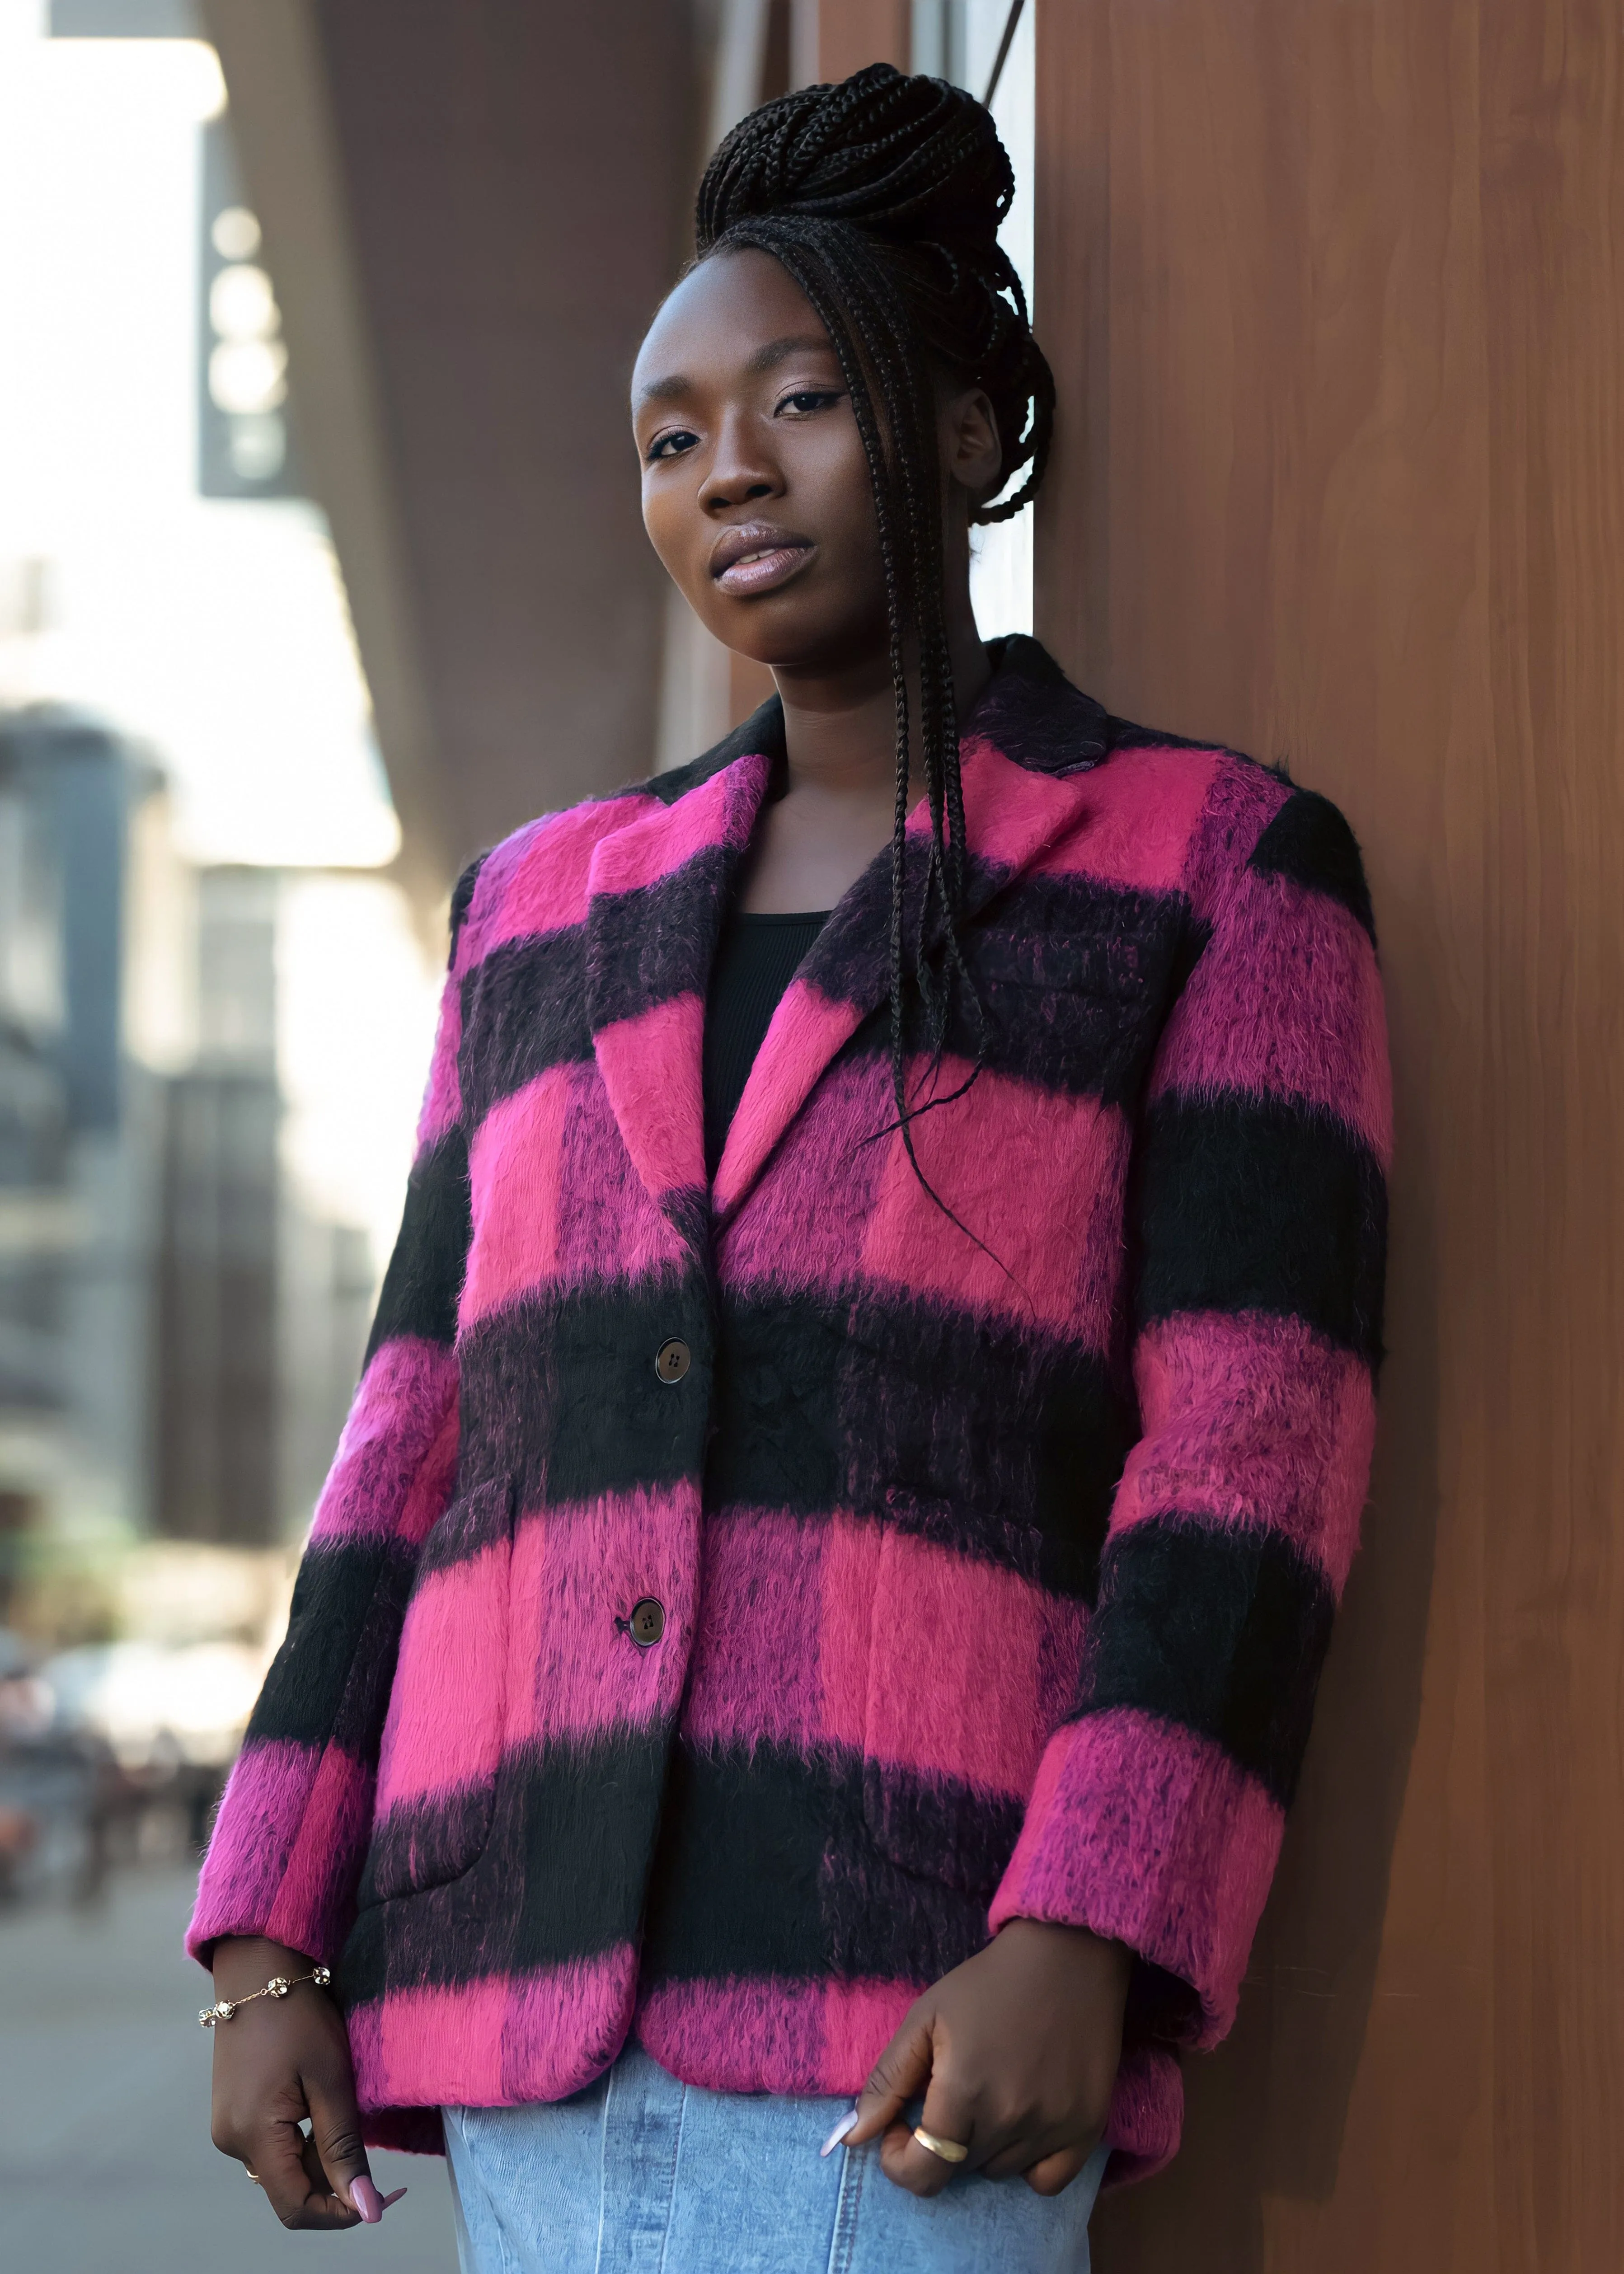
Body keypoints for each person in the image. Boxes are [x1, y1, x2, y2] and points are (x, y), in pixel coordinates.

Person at [191, 65, 1389, 2274]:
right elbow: (410, 1438)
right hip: (514, 2004)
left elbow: (1250, 1447)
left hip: (911, 2032)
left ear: (955, 433)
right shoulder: (536, 909)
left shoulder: (1208, 869)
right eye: (669, 432)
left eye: (800, 398)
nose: (727, 464)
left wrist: (1090, 1919)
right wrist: (267, 1931)